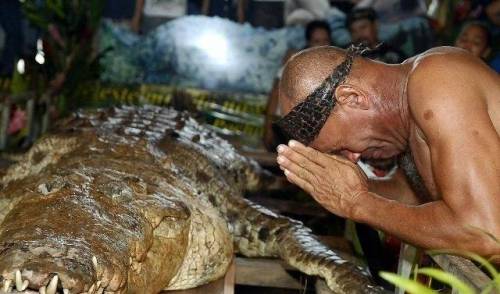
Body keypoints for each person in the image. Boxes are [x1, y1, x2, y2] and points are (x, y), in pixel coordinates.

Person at [274, 45, 500, 258]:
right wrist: (340, 189)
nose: (354, 157)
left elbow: (487, 234)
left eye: (343, 147)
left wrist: (358, 203)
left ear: (352, 98)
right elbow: (411, 196)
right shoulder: (410, 117)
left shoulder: (438, 80)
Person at [263, 20, 332, 151]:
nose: (322, 45)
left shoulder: (337, 68)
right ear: (309, 42)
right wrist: (267, 128)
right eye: (317, 41)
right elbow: (275, 95)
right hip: (284, 129)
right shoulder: (294, 63)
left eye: (325, 40)